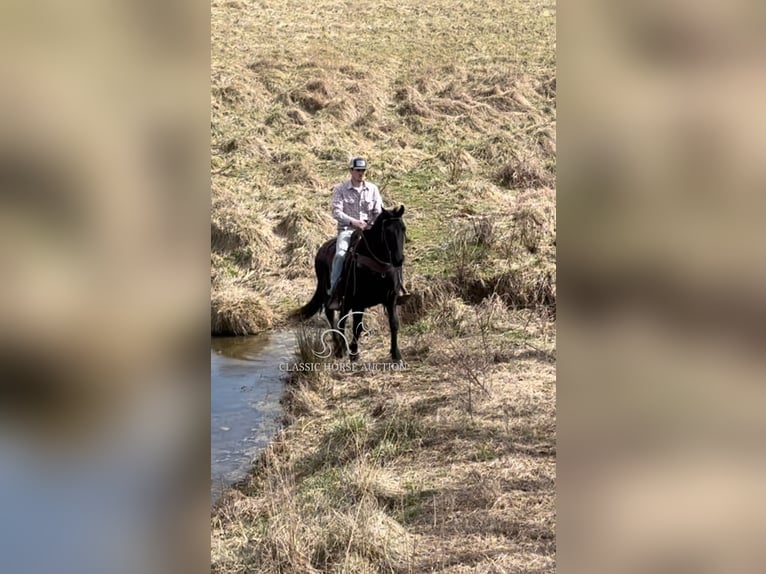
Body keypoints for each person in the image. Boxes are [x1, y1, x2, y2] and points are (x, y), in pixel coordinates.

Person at [327, 156, 409, 310]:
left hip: (369, 230)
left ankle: (398, 289)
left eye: (363, 170)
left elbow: (378, 210)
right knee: (340, 255)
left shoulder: (373, 189)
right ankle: (335, 291)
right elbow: (336, 212)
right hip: (348, 230)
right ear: (351, 171)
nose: (361, 173)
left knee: (393, 252)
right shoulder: (341, 190)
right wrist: (354, 222)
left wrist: (373, 222)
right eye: (358, 170)